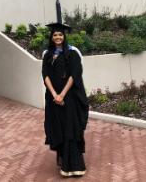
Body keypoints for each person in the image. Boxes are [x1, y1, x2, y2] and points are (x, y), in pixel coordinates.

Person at [42, 22, 89, 177]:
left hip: (69, 99)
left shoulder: (72, 53)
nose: (58, 37)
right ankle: (63, 160)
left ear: (64, 36)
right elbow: (45, 75)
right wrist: (55, 94)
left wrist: (62, 94)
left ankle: (74, 166)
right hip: (53, 99)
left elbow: (74, 75)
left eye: (60, 35)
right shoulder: (48, 54)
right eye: (55, 35)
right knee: (58, 128)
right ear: (51, 37)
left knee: (70, 129)